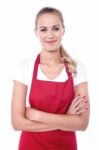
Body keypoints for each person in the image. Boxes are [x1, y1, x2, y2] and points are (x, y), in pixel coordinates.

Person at [11, 7, 90, 150]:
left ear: (63, 30)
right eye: (43, 29)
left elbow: (82, 124)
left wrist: (38, 115)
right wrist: (66, 119)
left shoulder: (76, 68)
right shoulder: (24, 67)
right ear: (36, 33)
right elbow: (17, 123)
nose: (50, 35)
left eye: (55, 28)